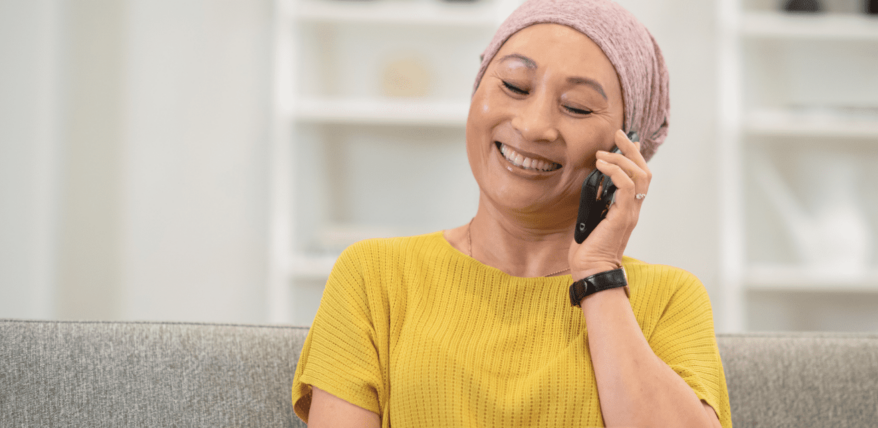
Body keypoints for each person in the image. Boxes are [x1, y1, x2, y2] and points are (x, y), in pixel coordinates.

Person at [291, 0, 731, 426]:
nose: (532, 125)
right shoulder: (375, 277)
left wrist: (598, 275)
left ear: (625, 151)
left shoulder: (669, 299)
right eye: (515, 86)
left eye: (576, 106)